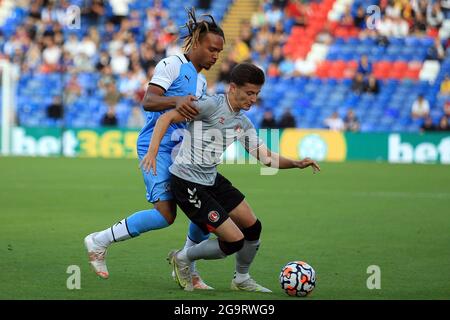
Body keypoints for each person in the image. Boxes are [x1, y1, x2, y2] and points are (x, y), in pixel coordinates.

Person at [140, 63, 320, 292]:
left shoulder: (242, 122)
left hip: (211, 179)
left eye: (257, 94)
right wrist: (153, 152)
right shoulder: (209, 105)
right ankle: (182, 258)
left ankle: (241, 279)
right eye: (249, 93)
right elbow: (166, 119)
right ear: (233, 88)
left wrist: (296, 163)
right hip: (187, 182)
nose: (254, 99)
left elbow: (265, 158)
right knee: (234, 241)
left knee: (253, 227)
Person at [84, 8, 225, 290]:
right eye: (212, 49)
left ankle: (187, 266)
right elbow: (149, 101)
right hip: (156, 146)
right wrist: (175, 102)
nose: (215, 56)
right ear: (196, 43)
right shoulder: (171, 65)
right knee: (165, 214)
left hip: (181, 150)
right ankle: (99, 241)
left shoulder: (200, 82)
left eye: (219, 52)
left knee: (203, 206)